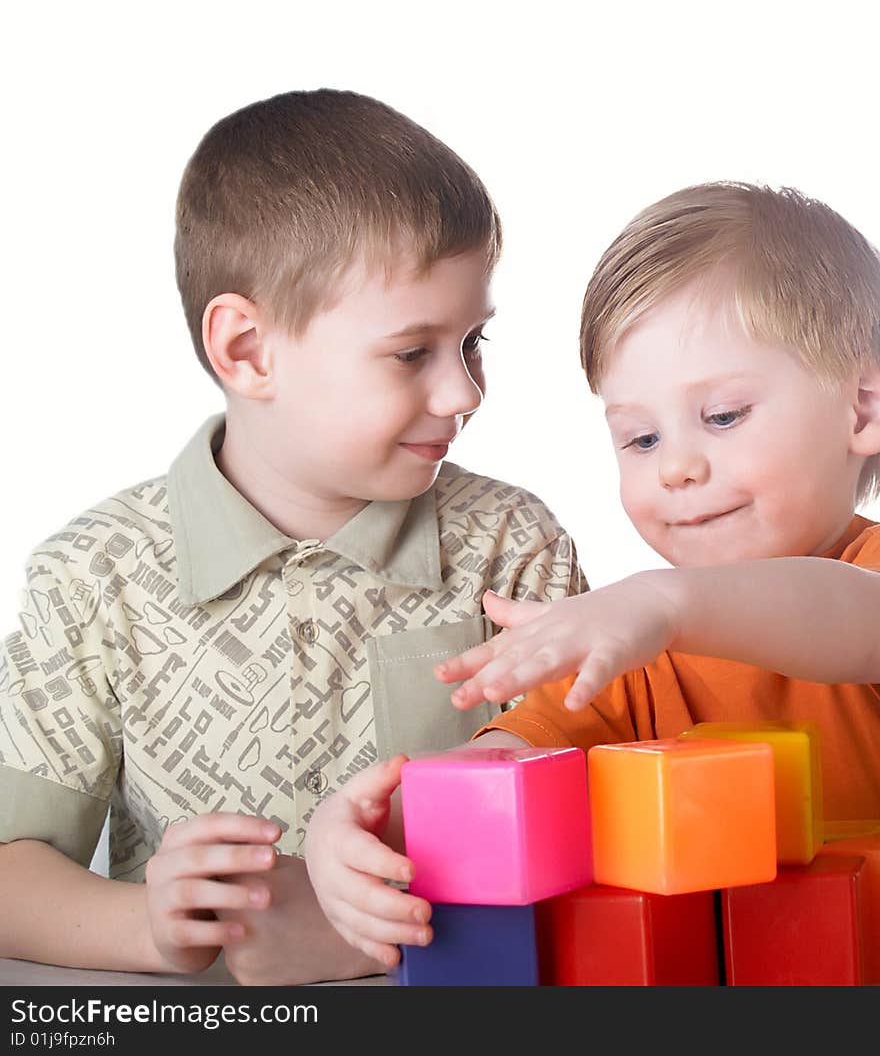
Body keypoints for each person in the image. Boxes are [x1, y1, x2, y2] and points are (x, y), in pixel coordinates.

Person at [0, 89, 585, 985]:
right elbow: (11, 867)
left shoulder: (512, 544)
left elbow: (596, 819)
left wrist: (367, 923)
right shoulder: (94, 577)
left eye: (474, 342)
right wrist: (150, 927)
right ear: (247, 351)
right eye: (411, 352)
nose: (464, 393)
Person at [306, 181, 880, 968]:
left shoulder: (826, 590)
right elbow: (502, 771)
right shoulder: (634, 651)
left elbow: (857, 620)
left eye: (722, 417)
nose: (677, 466)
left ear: (863, 408)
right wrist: (373, 827)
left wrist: (663, 601)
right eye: (640, 438)